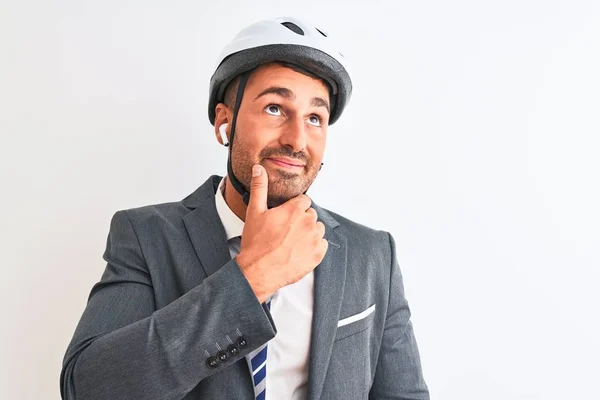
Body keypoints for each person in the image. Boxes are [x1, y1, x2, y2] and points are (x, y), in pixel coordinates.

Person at [60, 16, 430, 400]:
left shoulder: (372, 255)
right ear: (224, 121)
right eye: (274, 108)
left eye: (315, 118)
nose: (297, 139)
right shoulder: (146, 235)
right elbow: (86, 388)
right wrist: (252, 277)